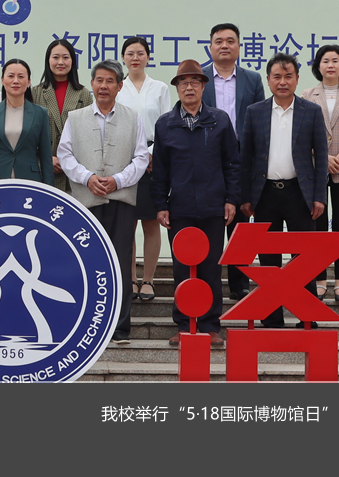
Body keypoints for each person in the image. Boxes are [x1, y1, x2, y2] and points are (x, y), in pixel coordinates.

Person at [150, 60, 239, 348]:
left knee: (211, 268)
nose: (189, 87)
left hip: (213, 207)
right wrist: (161, 205)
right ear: (177, 88)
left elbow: (232, 164)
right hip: (180, 208)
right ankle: (183, 324)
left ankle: (211, 325)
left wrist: (231, 199)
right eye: (183, 82)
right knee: (181, 269)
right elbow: (160, 170)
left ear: (203, 87)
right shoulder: (165, 124)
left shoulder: (219, 120)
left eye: (195, 82)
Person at [58, 59, 148, 344]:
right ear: (92, 84)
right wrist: (87, 178)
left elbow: (141, 157)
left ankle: (119, 328)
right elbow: (65, 155)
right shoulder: (75, 117)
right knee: (86, 263)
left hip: (121, 201)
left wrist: (118, 180)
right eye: (99, 80)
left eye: (110, 81)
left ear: (120, 86)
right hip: (87, 202)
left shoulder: (133, 117)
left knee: (120, 263)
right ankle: (87, 326)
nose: (104, 86)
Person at [240, 53, 327, 329]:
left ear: (297, 79)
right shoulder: (255, 112)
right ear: (268, 80)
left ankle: (307, 316)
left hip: (300, 194)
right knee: (269, 259)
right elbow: (246, 157)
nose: (282, 82)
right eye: (277, 76)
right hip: (265, 194)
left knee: (304, 258)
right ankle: (271, 317)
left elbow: (321, 155)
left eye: (288, 76)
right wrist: (245, 197)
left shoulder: (311, 111)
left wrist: (319, 196)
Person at [201, 23, 265, 301]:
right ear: (210, 47)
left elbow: (261, 122)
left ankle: (240, 283)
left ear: (239, 46)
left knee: (240, 223)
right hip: (208, 160)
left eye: (230, 41)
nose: (224, 45)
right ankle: (211, 281)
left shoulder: (252, 80)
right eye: (219, 41)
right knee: (212, 222)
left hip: (243, 160)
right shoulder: (199, 77)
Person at [301, 45, 339, 301]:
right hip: (316, 168)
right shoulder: (307, 95)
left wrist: (338, 158)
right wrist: (324, 158)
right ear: (318, 66)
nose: (330, 65)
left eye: (335, 60)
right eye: (325, 60)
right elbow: (302, 133)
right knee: (317, 227)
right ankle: (320, 281)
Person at [115, 36, 171, 301]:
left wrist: (149, 154)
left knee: (150, 221)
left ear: (148, 57)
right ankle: (130, 279)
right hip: (122, 159)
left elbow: (167, 125)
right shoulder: (117, 87)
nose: (135, 58)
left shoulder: (159, 88)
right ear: (123, 58)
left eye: (140, 53)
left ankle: (148, 279)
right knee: (127, 222)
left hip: (152, 160)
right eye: (130, 53)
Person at [0, 58, 54, 185]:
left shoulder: (40, 113)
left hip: (30, 181)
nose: (15, 81)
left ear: (28, 82)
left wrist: (48, 190)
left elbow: (46, 158)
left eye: (21, 76)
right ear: (2, 80)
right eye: (10, 76)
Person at [32, 39, 92, 192]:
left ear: (72, 61)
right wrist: (46, 158)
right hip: (43, 172)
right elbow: (28, 134)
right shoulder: (35, 93)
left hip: (74, 175)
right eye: (55, 57)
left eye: (65, 57)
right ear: (48, 60)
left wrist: (68, 162)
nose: (60, 62)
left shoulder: (83, 94)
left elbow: (90, 135)